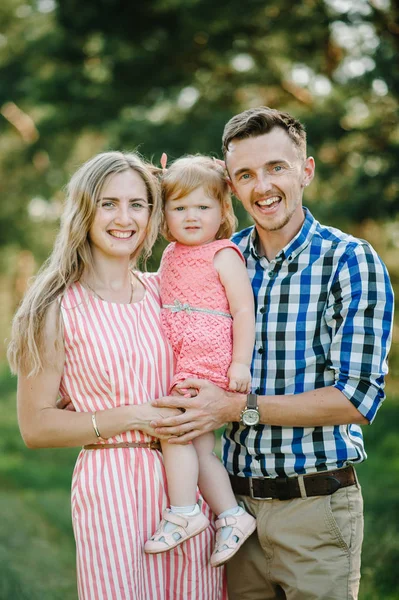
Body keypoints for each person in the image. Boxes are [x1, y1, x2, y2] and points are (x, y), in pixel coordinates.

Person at [150, 107, 395, 600]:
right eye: (245, 175)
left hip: (315, 508)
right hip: (233, 513)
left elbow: (358, 398)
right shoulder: (220, 258)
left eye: (276, 168)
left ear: (305, 170)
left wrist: (238, 406)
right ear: (231, 188)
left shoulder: (349, 260)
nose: (262, 186)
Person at [7, 151, 226, 600]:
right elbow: (35, 426)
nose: (123, 218)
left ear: (152, 215)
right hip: (112, 487)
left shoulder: (163, 292)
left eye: (137, 204)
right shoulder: (53, 308)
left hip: (187, 490)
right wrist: (134, 416)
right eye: (108, 203)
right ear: (84, 210)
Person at [144, 155, 256, 567]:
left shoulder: (223, 253)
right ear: (165, 215)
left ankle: (184, 511)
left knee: (175, 429)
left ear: (223, 211)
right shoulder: (171, 253)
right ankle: (231, 515)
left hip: (208, 357)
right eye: (179, 207)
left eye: (203, 207)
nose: (191, 216)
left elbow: (244, 310)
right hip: (180, 358)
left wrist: (239, 364)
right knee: (199, 445)